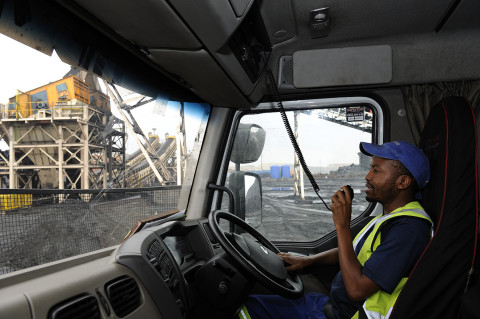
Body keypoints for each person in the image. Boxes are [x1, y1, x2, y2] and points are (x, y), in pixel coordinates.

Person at [239, 141, 434, 319]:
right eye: (370, 169)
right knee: (246, 308)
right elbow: (354, 251)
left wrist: (342, 225)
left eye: (376, 170)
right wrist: (309, 260)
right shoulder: (389, 217)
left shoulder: (409, 229)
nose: (367, 176)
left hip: (349, 315)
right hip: (332, 307)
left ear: (402, 182)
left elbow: (356, 290)